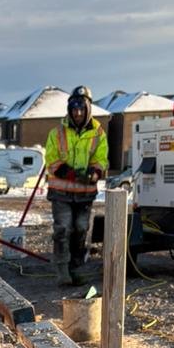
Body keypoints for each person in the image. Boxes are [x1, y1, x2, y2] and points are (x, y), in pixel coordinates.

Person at [44, 86, 108, 284]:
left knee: (81, 228)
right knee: (63, 229)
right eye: (74, 109)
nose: (78, 113)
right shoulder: (57, 133)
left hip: (84, 194)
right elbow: (51, 159)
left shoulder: (98, 133)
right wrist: (69, 173)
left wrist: (94, 173)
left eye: (81, 109)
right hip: (61, 192)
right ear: (69, 109)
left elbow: (101, 159)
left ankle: (76, 267)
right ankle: (62, 269)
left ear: (88, 109)